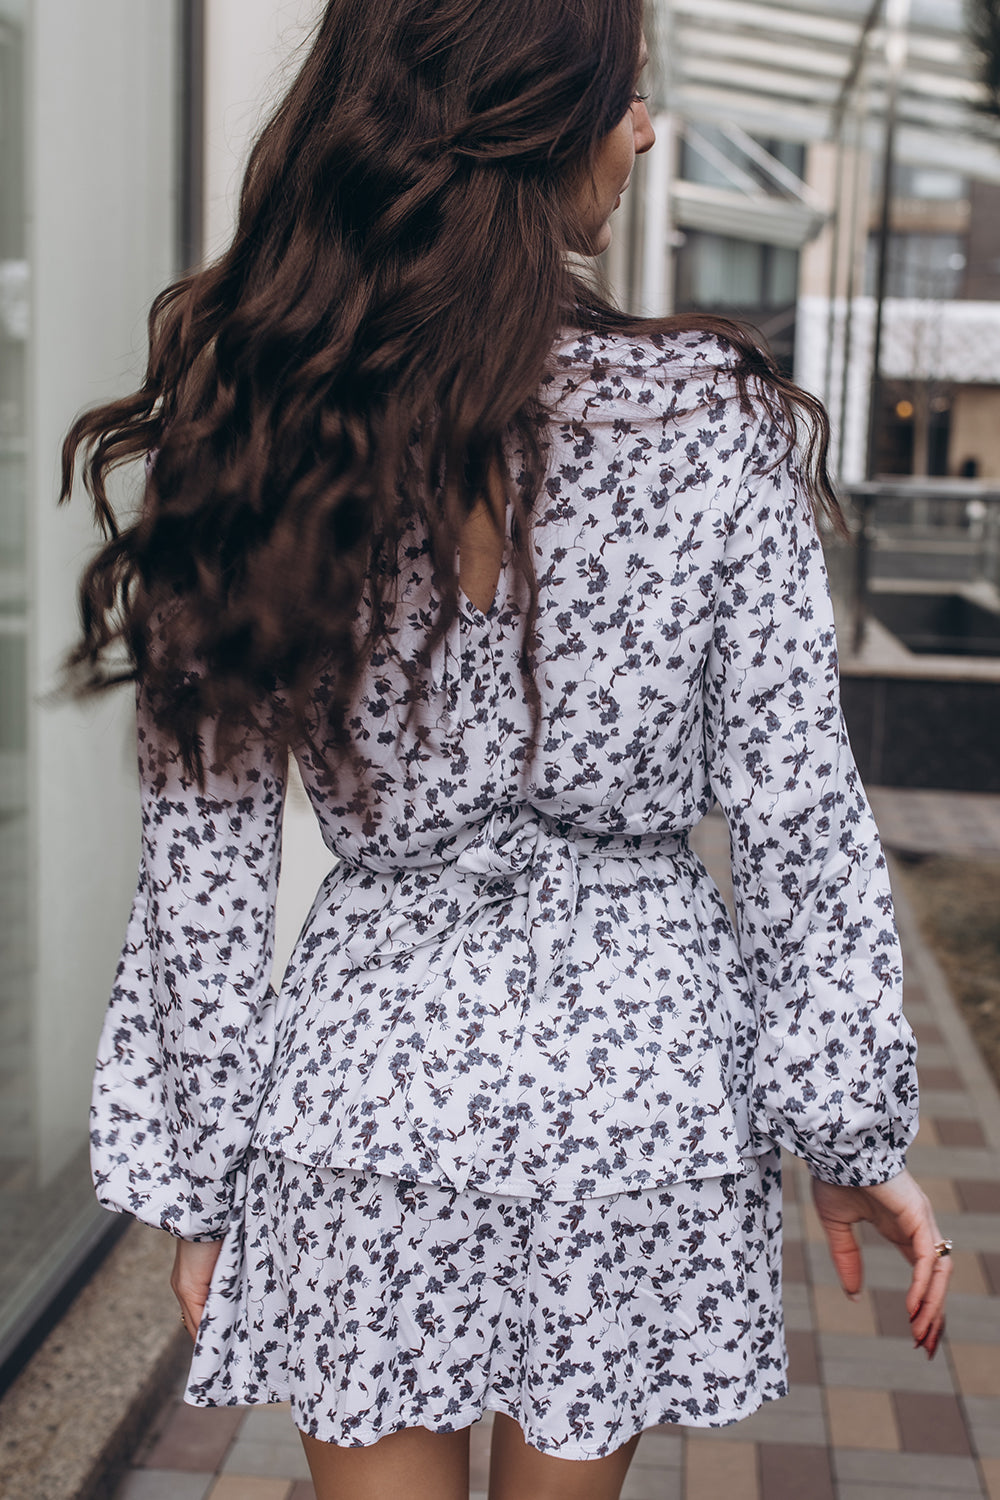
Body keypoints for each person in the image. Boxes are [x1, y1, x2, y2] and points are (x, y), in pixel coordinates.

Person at [62, 3, 952, 1497]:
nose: (649, 130)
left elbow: (204, 867)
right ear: (536, 116)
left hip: (369, 1100)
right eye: (630, 95)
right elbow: (801, 815)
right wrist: (851, 1128)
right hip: (639, 1097)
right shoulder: (710, 424)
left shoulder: (270, 412)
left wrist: (196, 1179)